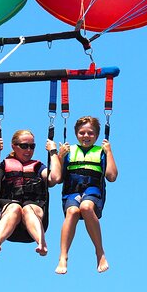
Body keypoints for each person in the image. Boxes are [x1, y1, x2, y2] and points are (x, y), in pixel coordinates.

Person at [55, 116, 118, 274]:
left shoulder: (101, 152)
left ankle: (99, 252)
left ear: (96, 136)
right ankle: (63, 256)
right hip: (72, 191)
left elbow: (112, 176)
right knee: (72, 211)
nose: (86, 136)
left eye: (90, 133)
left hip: (93, 190)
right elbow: (57, 178)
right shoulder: (69, 151)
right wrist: (59, 157)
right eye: (82, 133)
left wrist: (109, 152)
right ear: (76, 134)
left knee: (86, 207)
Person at [0, 130, 61, 256]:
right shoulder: (6, 164)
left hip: (34, 211)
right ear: (14, 146)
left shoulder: (38, 166)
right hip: (9, 213)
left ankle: (41, 243)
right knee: (15, 207)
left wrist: (53, 152)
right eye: (24, 146)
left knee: (27, 209)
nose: (28, 150)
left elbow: (55, 178)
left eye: (32, 146)